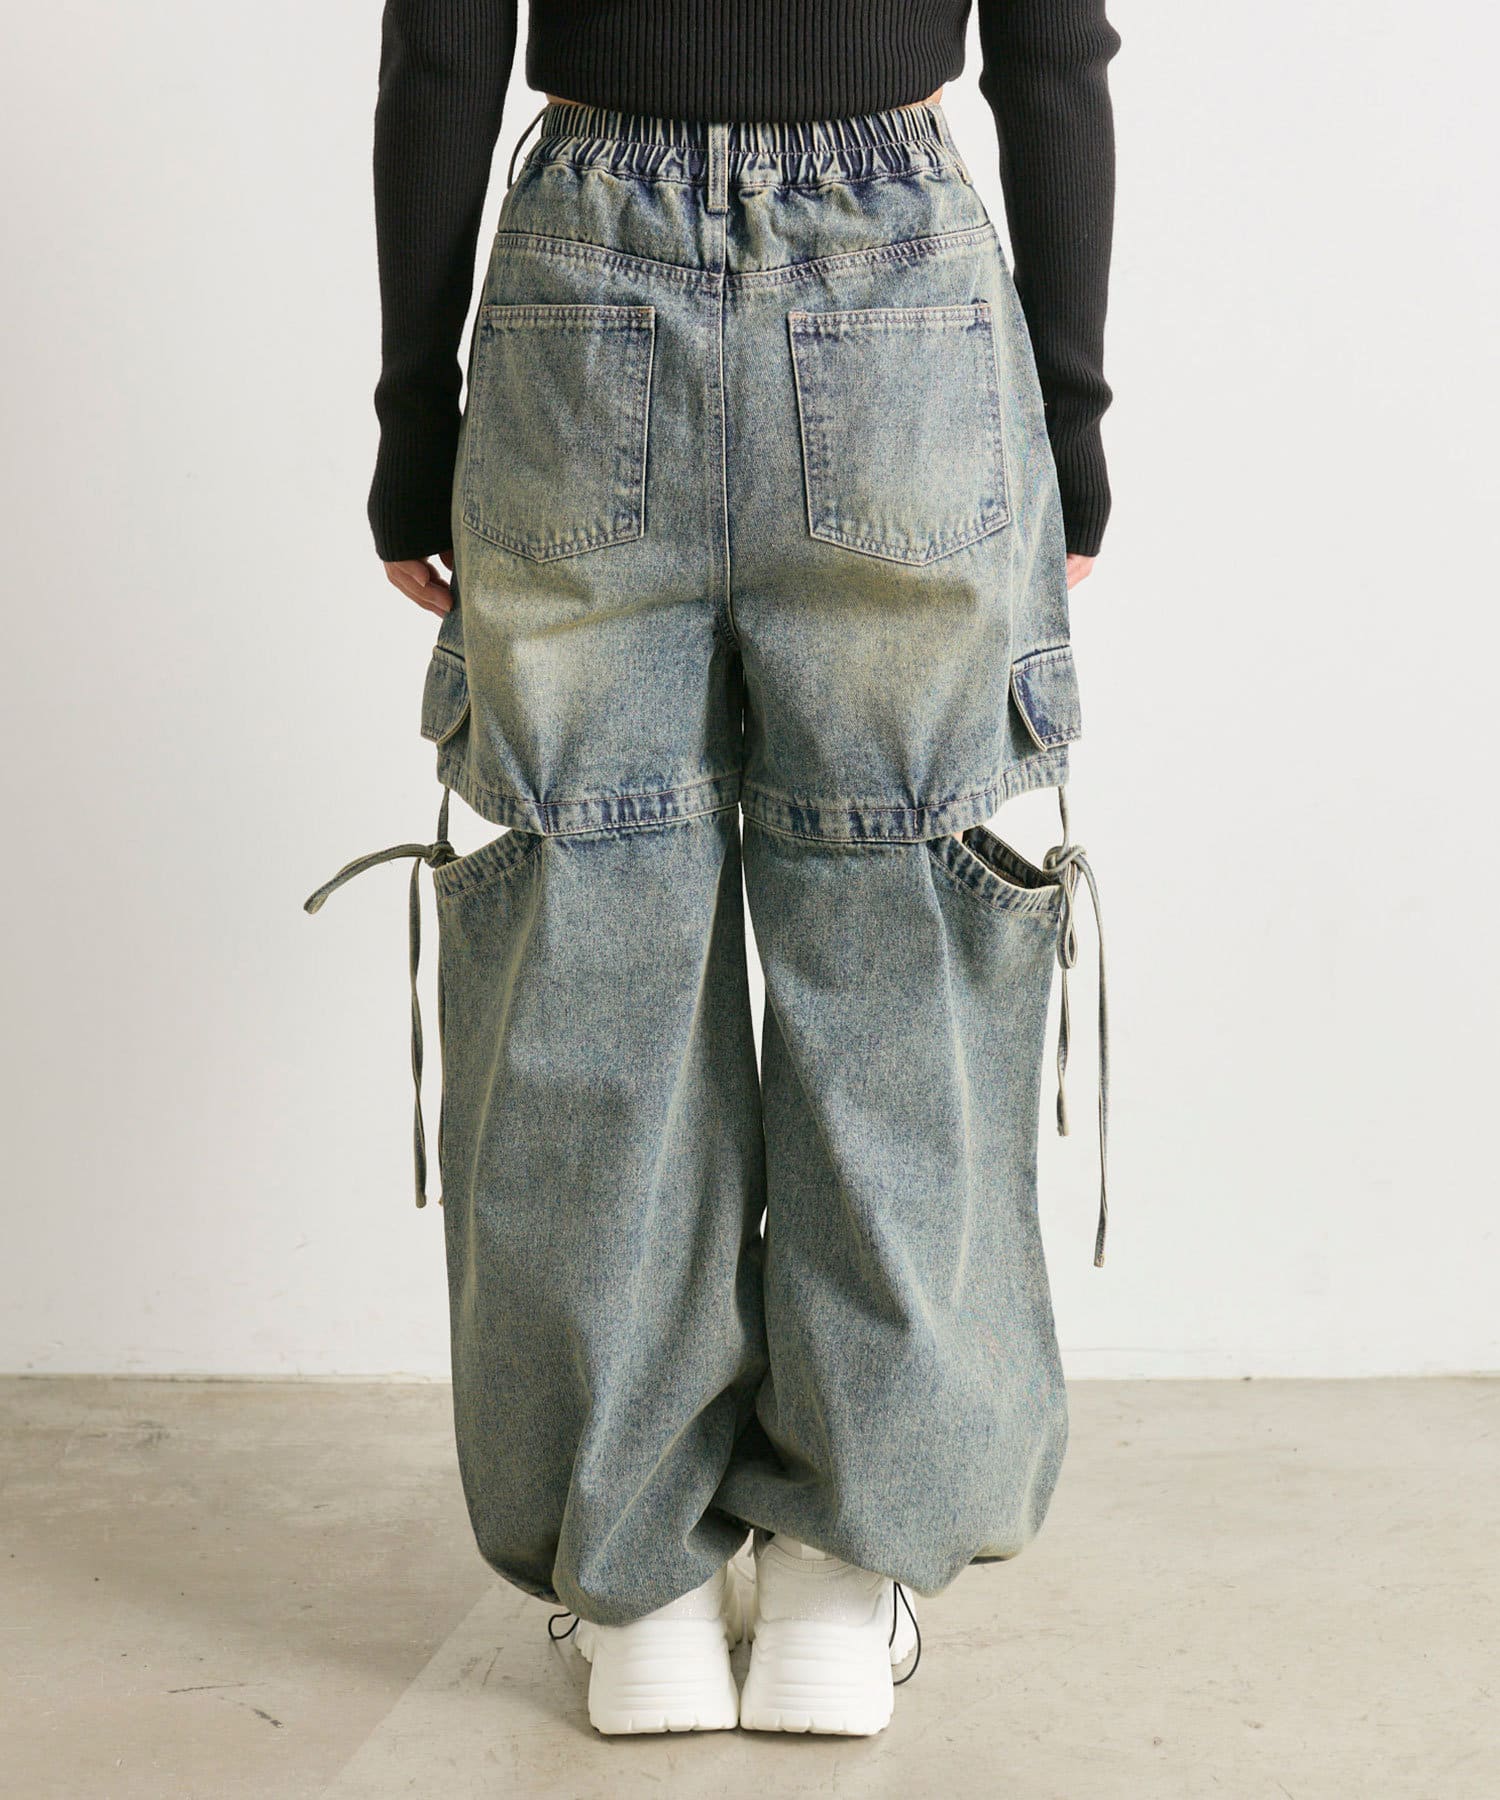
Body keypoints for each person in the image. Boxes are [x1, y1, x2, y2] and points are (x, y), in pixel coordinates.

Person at [308, 0, 1118, 1741]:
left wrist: (413, 416)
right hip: (898, 281)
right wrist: (1068, 418)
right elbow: (1054, 49)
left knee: (587, 951)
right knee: (899, 937)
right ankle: (844, 1575)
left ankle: (641, 1597)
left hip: (582, 275)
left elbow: (443, 47)